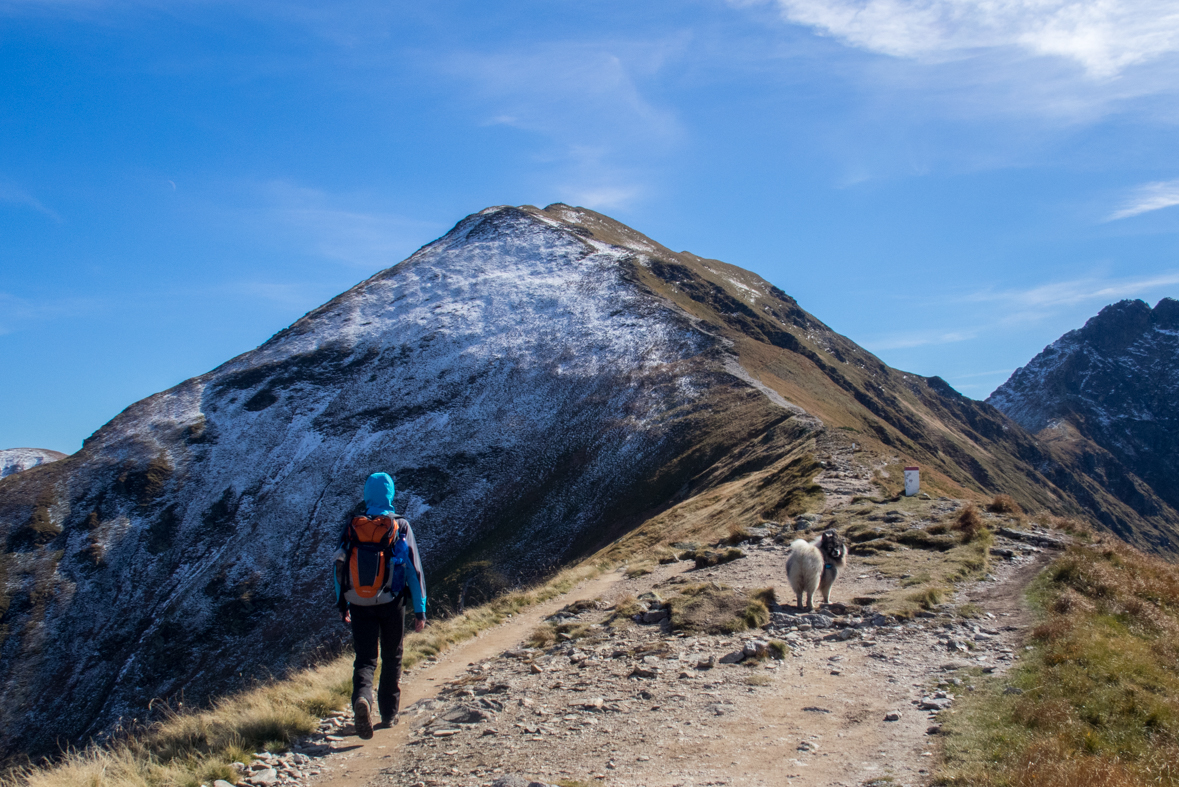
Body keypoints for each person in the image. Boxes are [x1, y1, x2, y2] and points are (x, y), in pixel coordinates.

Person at [333, 472, 427, 739]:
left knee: (365, 658)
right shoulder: (401, 526)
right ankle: (388, 713)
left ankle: (363, 699)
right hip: (391, 601)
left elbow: (339, 567)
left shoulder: (353, 526)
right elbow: (413, 570)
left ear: (366, 494)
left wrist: (342, 602)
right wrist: (420, 608)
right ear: (391, 494)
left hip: (358, 602)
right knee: (392, 655)